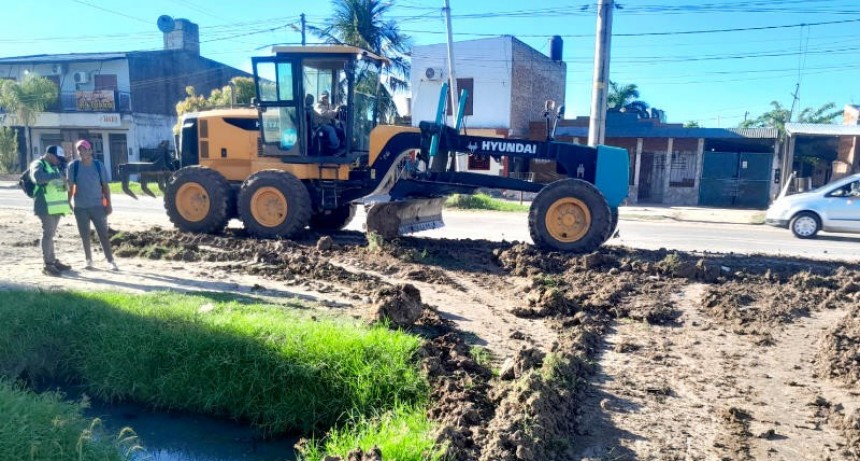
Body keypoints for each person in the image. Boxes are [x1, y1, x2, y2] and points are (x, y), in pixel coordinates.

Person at [67, 139, 118, 271]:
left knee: (103, 234)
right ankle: (88, 260)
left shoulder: (98, 165)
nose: (82, 152)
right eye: (79, 150)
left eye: (84, 149)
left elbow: (105, 187)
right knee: (85, 235)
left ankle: (110, 261)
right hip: (80, 207)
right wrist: (68, 202)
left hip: (97, 206)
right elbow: (71, 187)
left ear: (90, 150)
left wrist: (109, 204)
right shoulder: (73, 166)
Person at [30, 145, 72, 276]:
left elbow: (61, 186)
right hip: (45, 206)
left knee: (51, 235)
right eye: (57, 158)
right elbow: (38, 178)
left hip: (56, 206)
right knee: (48, 235)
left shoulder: (55, 166)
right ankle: (48, 265)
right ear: (49, 155)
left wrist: (65, 181)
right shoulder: (38, 164)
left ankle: (52, 261)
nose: (59, 161)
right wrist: (57, 174)